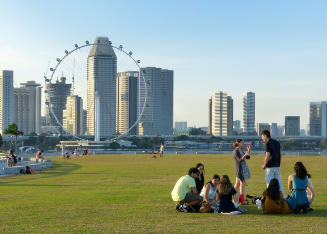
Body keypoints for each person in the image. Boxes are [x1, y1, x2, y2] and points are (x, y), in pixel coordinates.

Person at [261, 130, 285, 198]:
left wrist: (265, 164)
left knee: (269, 183)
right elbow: (280, 155)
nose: (262, 138)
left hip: (270, 166)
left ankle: (270, 198)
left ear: (265, 136)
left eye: (262, 137)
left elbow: (267, 155)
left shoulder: (267, 144)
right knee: (279, 183)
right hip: (277, 165)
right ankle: (282, 197)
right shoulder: (277, 142)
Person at [233, 139, 251, 205]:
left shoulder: (241, 151)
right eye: (242, 142)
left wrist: (248, 150)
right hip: (240, 170)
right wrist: (245, 155)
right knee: (242, 185)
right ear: (238, 143)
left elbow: (248, 158)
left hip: (243, 169)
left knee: (237, 185)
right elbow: (239, 160)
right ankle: (241, 200)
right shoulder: (236, 151)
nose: (243, 143)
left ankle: (235, 199)